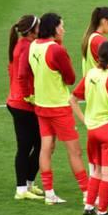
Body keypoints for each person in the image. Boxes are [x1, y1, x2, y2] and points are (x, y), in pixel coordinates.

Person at [25, 12, 89, 205]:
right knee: (75, 151)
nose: (64, 29)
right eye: (61, 26)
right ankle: (87, 192)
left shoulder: (33, 45)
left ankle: (49, 193)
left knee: (46, 148)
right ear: (54, 29)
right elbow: (69, 78)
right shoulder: (56, 50)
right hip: (59, 107)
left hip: (42, 105)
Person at [70, 41, 108, 215]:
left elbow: (72, 99)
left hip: (92, 130)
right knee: (107, 173)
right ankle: (102, 211)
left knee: (95, 171)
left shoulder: (91, 74)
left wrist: (84, 119)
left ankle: (89, 206)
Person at [7, 14, 44, 200]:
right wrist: (29, 95)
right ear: (32, 31)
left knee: (40, 144)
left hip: (18, 102)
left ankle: (28, 184)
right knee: (27, 146)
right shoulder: (26, 47)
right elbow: (21, 75)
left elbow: (11, 70)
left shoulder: (20, 45)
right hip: (23, 105)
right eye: (39, 26)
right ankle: (21, 189)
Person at [81, 7, 108, 78]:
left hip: (90, 85)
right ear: (104, 21)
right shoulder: (100, 41)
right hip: (99, 87)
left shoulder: (89, 37)